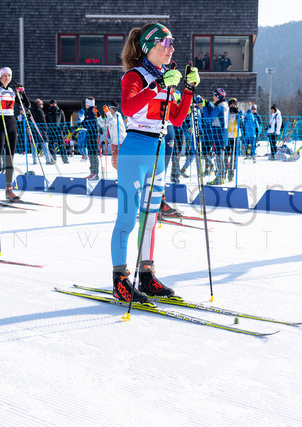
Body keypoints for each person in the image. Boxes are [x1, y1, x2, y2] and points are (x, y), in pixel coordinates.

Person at [110, 22, 199, 302]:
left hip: (158, 151)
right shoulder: (135, 75)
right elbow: (128, 107)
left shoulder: (166, 76)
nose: (171, 49)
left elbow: (177, 118)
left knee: (150, 218)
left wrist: (188, 89)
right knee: (127, 218)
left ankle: (146, 275)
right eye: (166, 43)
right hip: (136, 150)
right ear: (150, 46)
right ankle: (120, 279)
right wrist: (159, 85)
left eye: (172, 43)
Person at [0, 67, 30, 203]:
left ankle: (9, 190)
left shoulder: (11, 91)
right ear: (0, 77)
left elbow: (27, 105)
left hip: (11, 123)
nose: (7, 78)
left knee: (10, 158)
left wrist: (22, 92)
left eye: (9, 76)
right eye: (4, 75)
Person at [204, 88, 229, 185]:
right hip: (222, 133)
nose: (213, 97)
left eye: (214, 95)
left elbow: (208, 118)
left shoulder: (219, 107)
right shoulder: (224, 105)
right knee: (219, 155)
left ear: (218, 96)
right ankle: (221, 176)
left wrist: (204, 107)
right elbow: (214, 112)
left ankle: (220, 177)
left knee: (219, 156)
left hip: (218, 133)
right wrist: (209, 105)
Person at [29, 98, 54, 165]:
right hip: (41, 130)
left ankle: (34, 160)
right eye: (41, 104)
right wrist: (46, 129)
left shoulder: (31, 110)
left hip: (33, 130)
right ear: (39, 104)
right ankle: (48, 160)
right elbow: (43, 121)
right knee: (45, 145)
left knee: (34, 145)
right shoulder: (39, 111)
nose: (42, 105)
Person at [102, 103, 126, 169]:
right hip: (114, 142)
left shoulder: (117, 115)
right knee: (114, 162)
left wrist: (107, 112)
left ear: (113, 108)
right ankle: (119, 173)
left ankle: (123, 173)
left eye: (108, 108)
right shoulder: (111, 116)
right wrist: (98, 115)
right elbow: (102, 123)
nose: (108, 109)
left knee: (120, 161)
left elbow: (113, 122)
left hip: (120, 142)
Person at [82, 97, 100, 179]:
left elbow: (91, 124)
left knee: (93, 155)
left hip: (93, 135)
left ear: (88, 103)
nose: (85, 104)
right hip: (89, 135)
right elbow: (84, 122)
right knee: (91, 154)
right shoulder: (88, 111)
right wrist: (77, 127)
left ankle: (95, 173)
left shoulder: (92, 112)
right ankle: (92, 172)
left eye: (86, 103)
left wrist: (84, 126)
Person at [46, 99, 69, 164]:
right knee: (51, 145)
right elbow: (46, 121)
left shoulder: (60, 111)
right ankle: (53, 159)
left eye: (54, 104)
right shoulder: (48, 112)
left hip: (59, 131)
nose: (53, 105)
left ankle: (65, 159)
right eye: (52, 104)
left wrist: (61, 130)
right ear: (50, 104)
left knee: (61, 145)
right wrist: (49, 129)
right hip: (51, 131)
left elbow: (63, 121)